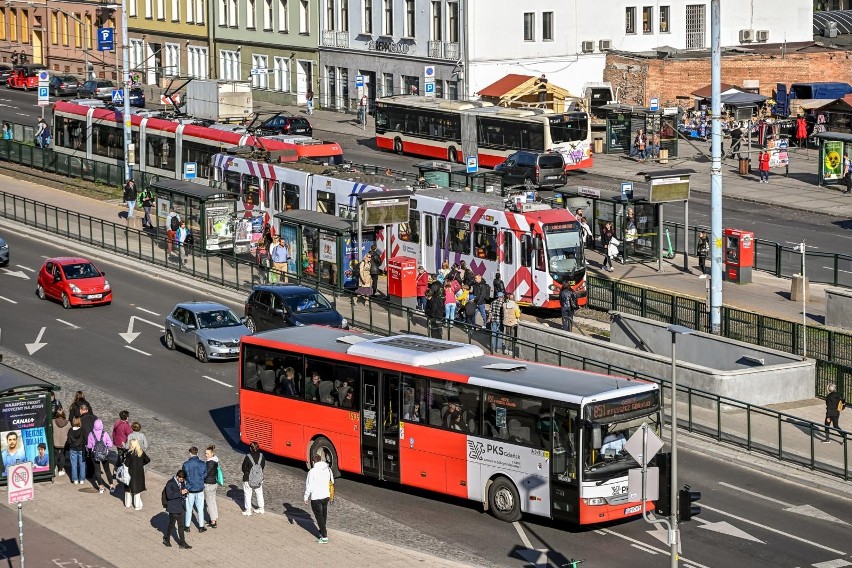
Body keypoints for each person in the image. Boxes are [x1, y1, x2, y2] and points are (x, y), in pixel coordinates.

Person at [304, 453, 334, 544]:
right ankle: (322, 531)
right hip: (326, 496)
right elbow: (332, 481)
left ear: (313, 462)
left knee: (319, 516)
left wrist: (306, 496)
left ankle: (324, 536)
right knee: (324, 514)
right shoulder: (328, 469)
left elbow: (309, 485)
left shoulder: (312, 471)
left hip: (316, 496)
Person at [163, 469, 192, 549]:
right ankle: (166, 538)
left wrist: (185, 493)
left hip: (180, 507)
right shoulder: (170, 483)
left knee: (181, 526)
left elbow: (182, 492)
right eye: (181, 479)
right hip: (173, 507)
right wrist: (180, 493)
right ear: (177, 476)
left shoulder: (182, 482)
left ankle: (182, 543)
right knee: (171, 525)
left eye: (183, 480)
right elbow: (169, 496)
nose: (182, 481)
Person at [182, 446, 207, 532]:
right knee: (200, 509)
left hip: (190, 488)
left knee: (189, 508)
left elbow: (184, 475)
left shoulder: (186, 464)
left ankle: (187, 526)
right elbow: (205, 474)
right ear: (197, 453)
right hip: (199, 488)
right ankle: (201, 526)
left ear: (190, 453)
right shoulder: (203, 463)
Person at [86, 418, 114, 494]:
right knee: (107, 470)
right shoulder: (105, 433)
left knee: (97, 470)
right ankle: (111, 485)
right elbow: (110, 444)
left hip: (94, 454)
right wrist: (106, 447)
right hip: (104, 454)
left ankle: (101, 487)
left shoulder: (91, 434)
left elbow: (89, 446)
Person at [123, 438, 150, 510]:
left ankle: (127, 504)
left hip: (130, 473)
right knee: (137, 490)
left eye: (130, 444)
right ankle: (137, 505)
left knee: (128, 489)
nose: (129, 445)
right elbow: (147, 460)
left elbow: (126, 464)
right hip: (139, 473)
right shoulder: (141, 452)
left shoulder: (130, 454)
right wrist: (141, 464)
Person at [242, 441, 266, 516]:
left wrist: (247, 473)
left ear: (250, 448)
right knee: (259, 493)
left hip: (248, 478)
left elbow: (244, 468)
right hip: (259, 478)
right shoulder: (262, 456)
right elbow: (262, 466)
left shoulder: (248, 456)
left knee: (248, 494)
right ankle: (261, 509)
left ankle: (248, 510)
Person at [203, 445, 220, 528]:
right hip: (214, 483)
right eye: (206, 453)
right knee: (213, 501)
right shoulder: (215, 461)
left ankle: (213, 522)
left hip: (209, 484)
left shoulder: (210, 462)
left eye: (208, 453)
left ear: (212, 453)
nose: (206, 455)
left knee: (209, 502)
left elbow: (206, 474)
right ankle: (214, 518)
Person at [67, 417, 87, 484]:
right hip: (81, 449)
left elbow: (69, 441)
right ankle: (82, 479)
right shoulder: (83, 430)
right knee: (82, 464)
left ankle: (75, 479)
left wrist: (71, 444)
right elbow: (85, 440)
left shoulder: (70, 430)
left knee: (74, 464)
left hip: (73, 449)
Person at [52, 409, 70, 476]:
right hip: (64, 443)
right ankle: (60, 470)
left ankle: (53, 469)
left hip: (55, 442)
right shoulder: (68, 423)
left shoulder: (53, 422)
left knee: (55, 456)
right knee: (62, 456)